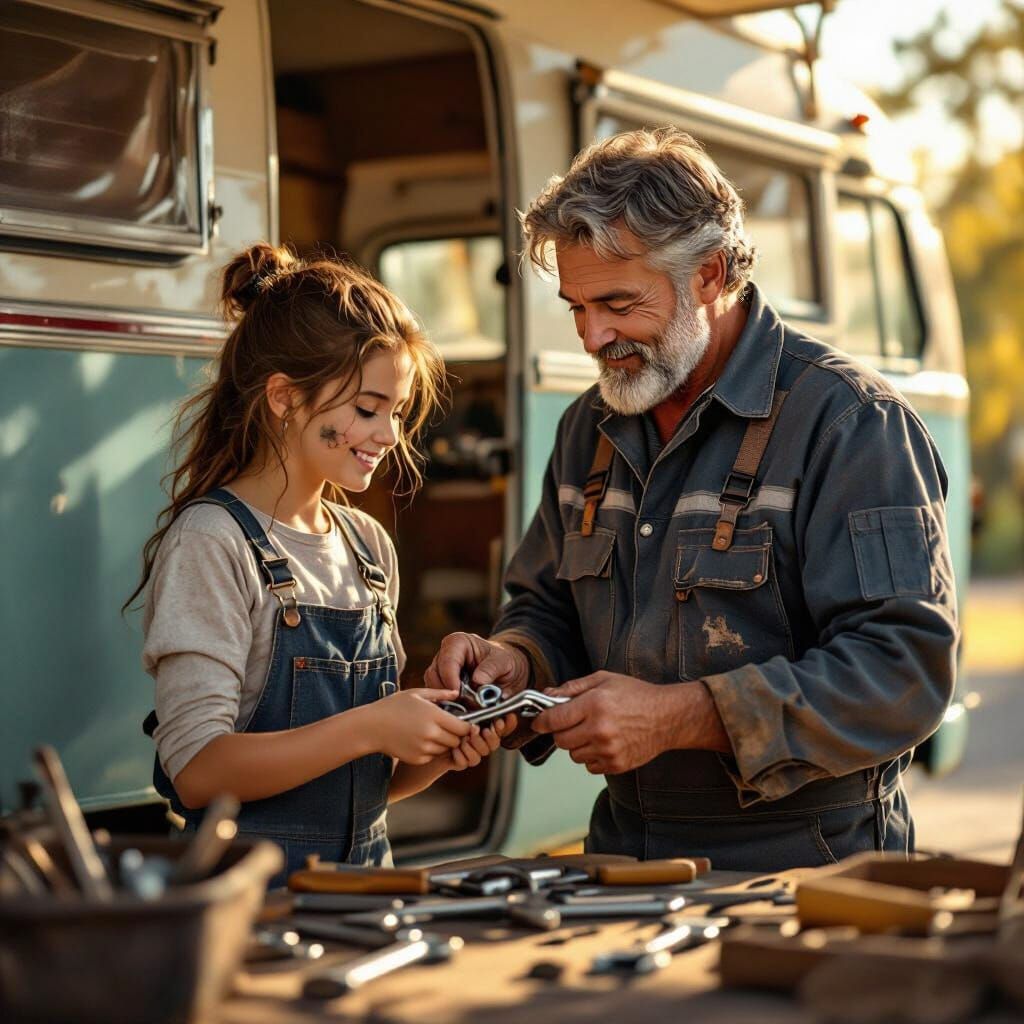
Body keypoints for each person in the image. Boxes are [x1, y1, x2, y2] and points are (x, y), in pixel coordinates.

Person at [426, 128, 958, 871]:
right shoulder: (590, 428)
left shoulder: (851, 424)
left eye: (617, 302)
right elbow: (546, 608)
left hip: (807, 868)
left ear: (710, 274)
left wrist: (685, 717)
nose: (592, 335)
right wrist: (515, 663)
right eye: (576, 307)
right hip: (622, 857)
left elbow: (904, 671)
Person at [129, 243, 511, 881]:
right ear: (283, 397)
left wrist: (439, 744)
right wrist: (373, 725)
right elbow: (198, 772)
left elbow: (360, 787)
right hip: (252, 906)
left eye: (395, 412)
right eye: (367, 409)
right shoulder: (213, 542)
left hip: (365, 891)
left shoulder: (368, 545)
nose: (389, 436)